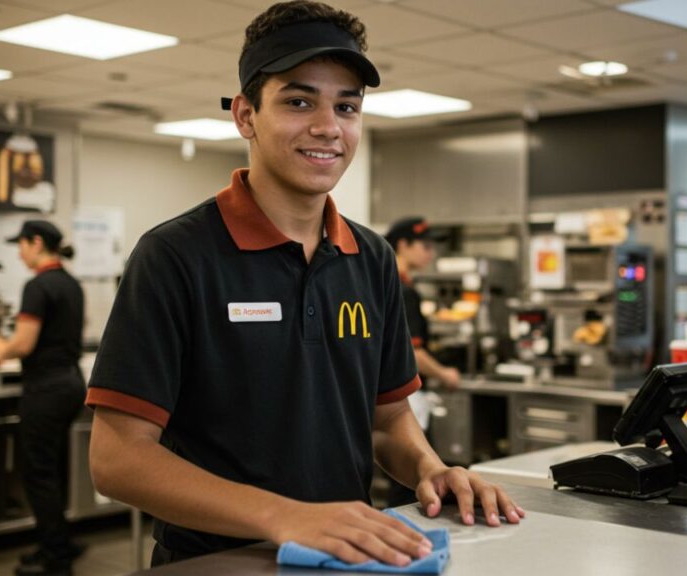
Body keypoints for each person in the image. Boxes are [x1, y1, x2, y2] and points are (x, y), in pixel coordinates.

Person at [85, 0, 523, 568]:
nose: (327, 126)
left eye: (347, 106)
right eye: (298, 101)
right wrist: (283, 516)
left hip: (347, 555)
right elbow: (117, 457)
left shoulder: (371, 259)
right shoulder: (176, 255)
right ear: (246, 116)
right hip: (220, 562)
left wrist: (430, 469)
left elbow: (387, 420)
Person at [0, 220, 85, 576]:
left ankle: (55, 556)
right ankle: (59, 542)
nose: (20, 253)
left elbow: (23, 344)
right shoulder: (70, 283)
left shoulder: (37, 285)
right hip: (71, 385)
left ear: (36, 243)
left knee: (38, 473)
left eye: (21, 245)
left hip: (46, 389)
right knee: (55, 469)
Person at [385, 217, 461, 391]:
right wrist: (444, 374)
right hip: (407, 391)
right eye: (425, 246)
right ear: (403, 245)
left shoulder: (384, 283)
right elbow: (412, 352)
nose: (431, 254)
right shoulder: (403, 292)